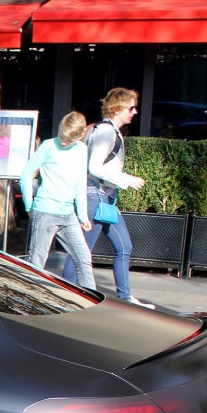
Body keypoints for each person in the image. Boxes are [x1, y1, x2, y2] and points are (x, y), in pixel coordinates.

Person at [79, 87, 149, 306]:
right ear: (117, 108)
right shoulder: (107, 132)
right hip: (96, 199)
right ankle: (66, 298)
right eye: (131, 107)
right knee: (82, 252)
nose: (135, 112)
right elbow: (94, 167)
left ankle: (125, 297)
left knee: (123, 247)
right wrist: (126, 179)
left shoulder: (105, 130)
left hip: (103, 199)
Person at [19, 111, 94, 288]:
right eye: (61, 136)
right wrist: (29, 205)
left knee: (83, 258)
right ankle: (28, 299)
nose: (63, 142)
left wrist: (82, 215)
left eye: (69, 140)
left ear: (81, 136)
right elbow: (27, 173)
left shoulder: (82, 150)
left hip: (68, 214)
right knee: (36, 262)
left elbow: (80, 182)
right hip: (45, 211)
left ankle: (91, 302)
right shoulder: (48, 146)